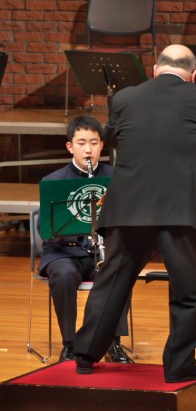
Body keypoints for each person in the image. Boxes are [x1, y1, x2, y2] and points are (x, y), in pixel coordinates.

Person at [73, 44, 196, 383]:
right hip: (183, 210)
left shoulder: (126, 98)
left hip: (129, 207)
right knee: (190, 290)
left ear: (155, 69)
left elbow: (111, 138)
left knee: (112, 281)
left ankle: (85, 355)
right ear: (193, 75)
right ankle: (178, 365)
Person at [38, 115, 133, 363]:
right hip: (64, 253)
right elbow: (44, 229)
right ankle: (70, 343)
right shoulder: (53, 181)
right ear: (70, 146)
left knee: (120, 269)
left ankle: (112, 343)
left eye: (93, 142)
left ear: (102, 145)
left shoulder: (117, 178)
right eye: (81, 143)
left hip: (103, 251)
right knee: (63, 274)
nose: (88, 149)